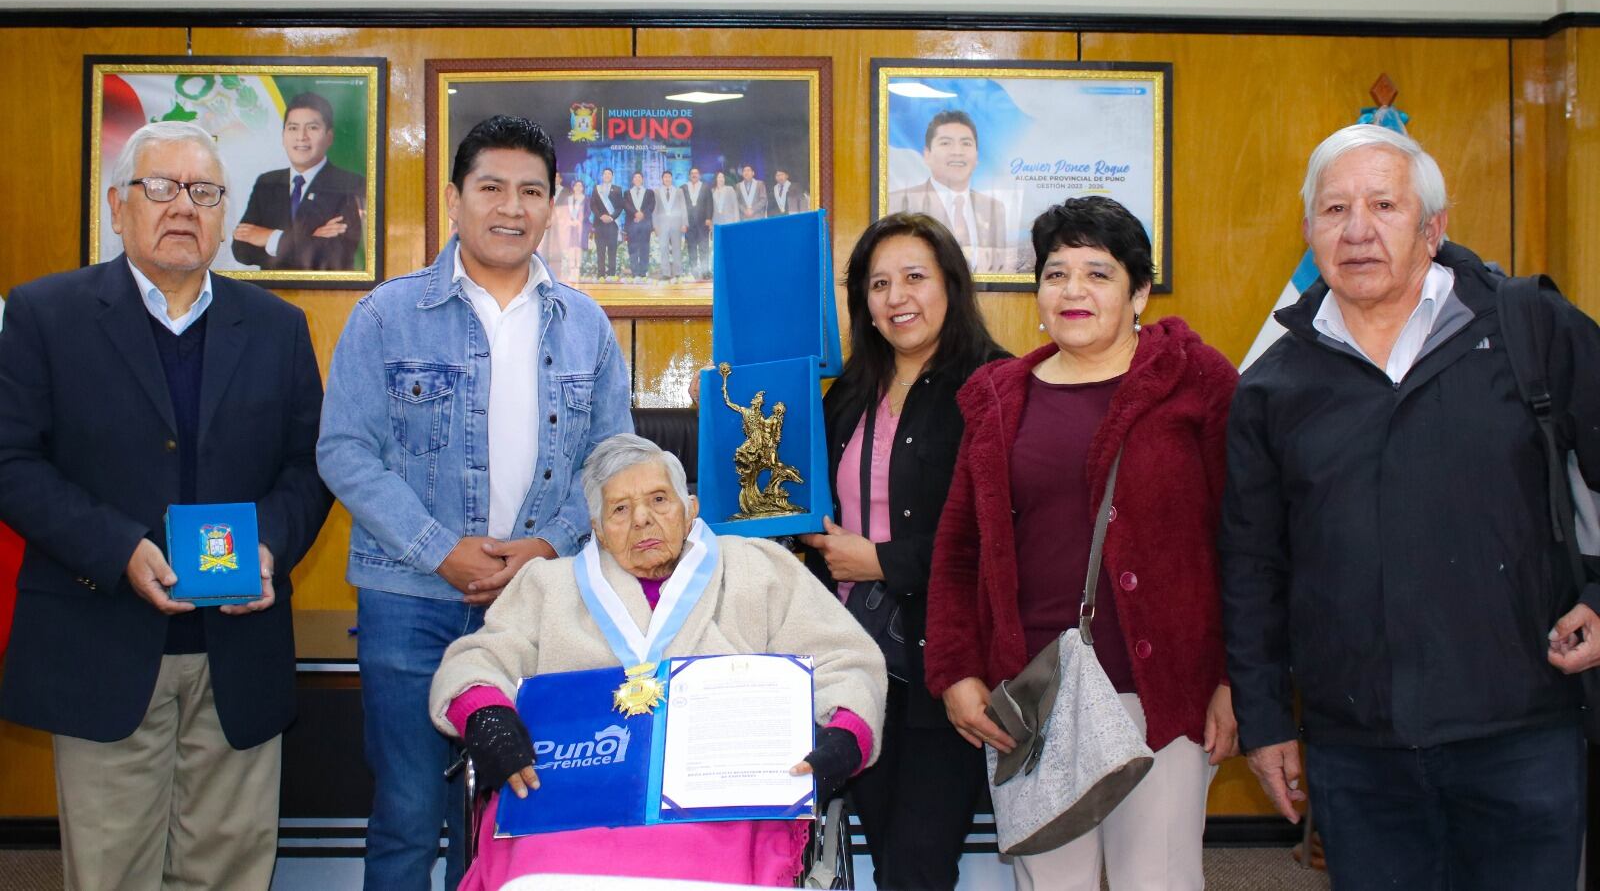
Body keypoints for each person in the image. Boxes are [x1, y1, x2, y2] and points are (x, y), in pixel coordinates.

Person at [1220, 123, 1600, 891]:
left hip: (1522, 732)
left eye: (1384, 205)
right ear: (1307, 232)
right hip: (1357, 749)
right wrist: (1264, 720)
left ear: (1434, 227)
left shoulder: (1530, 327)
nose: (1357, 231)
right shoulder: (1272, 385)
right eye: (1334, 211)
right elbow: (1252, 564)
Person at [0, 120, 331, 890]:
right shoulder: (46, 315)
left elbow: (309, 466)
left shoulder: (278, 329)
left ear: (223, 215)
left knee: (229, 871)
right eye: (161, 188)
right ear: (118, 207)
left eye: (205, 192)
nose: (183, 206)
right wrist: (116, 547)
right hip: (101, 642)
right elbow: (10, 461)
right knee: (112, 873)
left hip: (237, 655)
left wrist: (270, 548)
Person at [318, 115, 633, 891]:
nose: (511, 206)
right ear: (455, 199)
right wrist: (439, 548)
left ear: (553, 206)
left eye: (531, 191)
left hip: (538, 600)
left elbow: (613, 460)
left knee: (515, 808)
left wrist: (550, 546)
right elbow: (343, 451)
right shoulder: (386, 315)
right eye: (491, 186)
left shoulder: (586, 325)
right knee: (407, 808)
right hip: (409, 598)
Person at [925, 196, 1238, 891]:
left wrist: (1233, 679)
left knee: (1157, 881)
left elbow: (1241, 541)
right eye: (1056, 273)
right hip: (1033, 698)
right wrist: (956, 671)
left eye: (1098, 273)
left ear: (1139, 292)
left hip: (1161, 694)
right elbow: (958, 551)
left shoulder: (1199, 382)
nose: (1073, 291)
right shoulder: (998, 396)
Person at [429, 433, 887, 888]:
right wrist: (486, 714)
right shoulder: (547, 586)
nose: (643, 520)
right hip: (569, 810)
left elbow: (845, 658)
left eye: (659, 499)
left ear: (690, 510)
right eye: (621, 509)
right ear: (599, 530)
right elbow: (477, 659)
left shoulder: (759, 569)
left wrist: (844, 737)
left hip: (721, 810)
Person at [798, 212, 1007, 890]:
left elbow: (999, 531)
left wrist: (882, 560)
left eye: (914, 277)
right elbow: (805, 507)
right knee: (887, 849)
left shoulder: (996, 387)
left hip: (947, 662)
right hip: (854, 659)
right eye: (879, 284)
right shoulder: (847, 393)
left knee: (919, 862)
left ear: (951, 283)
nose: (896, 298)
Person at [231, 91, 365, 271]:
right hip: (272, 294)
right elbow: (241, 249)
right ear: (283, 135)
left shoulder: (351, 184)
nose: (301, 136)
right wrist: (311, 239)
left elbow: (336, 253)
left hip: (329, 295)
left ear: (329, 137)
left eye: (312, 127)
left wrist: (271, 238)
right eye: (293, 128)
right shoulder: (267, 183)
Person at [889, 110, 1016, 274]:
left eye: (966, 143)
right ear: (927, 155)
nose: (957, 151)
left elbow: (999, 270)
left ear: (976, 156)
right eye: (946, 143)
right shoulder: (899, 203)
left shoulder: (994, 208)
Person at [653, 168, 687, 280]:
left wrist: (684, 223)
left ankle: (678, 272)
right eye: (665, 177)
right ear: (662, 179)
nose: (667, 179)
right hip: (662, 226)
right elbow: (655, 210)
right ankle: (666, 273)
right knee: (663, 248)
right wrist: (655, 226)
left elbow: (683, 208)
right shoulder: (656, 192)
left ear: (671, 179)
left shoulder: (678, 191)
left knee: (677, 248)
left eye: (669, 177)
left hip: (677, 224)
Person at [589, 167, 622, 280]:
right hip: (599, 223)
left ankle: (612, 274)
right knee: (600, 250)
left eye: (609, 174)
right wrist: (601, 216)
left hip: (612, 224)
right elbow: (593, 205)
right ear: (602, 176)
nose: (607, 176)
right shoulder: (596, 188)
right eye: (605, 174)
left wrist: (612, 217)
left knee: (612, 249)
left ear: (612, 176)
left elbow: (619, 207)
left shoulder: (617, 189)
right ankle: (601, 274)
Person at [553, 177, 588, 284]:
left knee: (578, 248)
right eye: (576, 185)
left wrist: (579, 221)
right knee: (570, 249)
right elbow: (563, 212)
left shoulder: (586, 199)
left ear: (583, 188)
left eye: (580, 186)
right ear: (573, 187)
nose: (578, 187)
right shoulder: (568, 199)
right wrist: (569, 221)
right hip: (569, 226)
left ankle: (578, 272)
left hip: (580, 227)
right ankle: (570, 272)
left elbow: (588, 212)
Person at [623, 169, 655, 280]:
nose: (637, 179)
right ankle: (634, 272)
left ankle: (643, 272)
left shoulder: (649, 192)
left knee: (644, 248)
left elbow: (651, 206)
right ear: (632, 180)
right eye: (635, 177)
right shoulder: (627, 193)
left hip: (645, 224)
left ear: (642, 180)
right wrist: (636, 214)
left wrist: (642, 214)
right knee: (632, 248)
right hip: (632, 224)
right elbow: (626, 206)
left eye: (639, 177)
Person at [682, 165, 714, 277]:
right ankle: (694, 272)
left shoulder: (705, 187)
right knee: (691, 248)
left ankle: (705, 271)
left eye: (696, 173)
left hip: (702, 222)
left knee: (704, 247)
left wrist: (709, 218)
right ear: (689, 176)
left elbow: (710, 203)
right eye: (692, 173)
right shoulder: (683, 188)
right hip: (689, 224)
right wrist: (683, 222)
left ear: (699, 175)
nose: (694, 175)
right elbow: (681, 207)